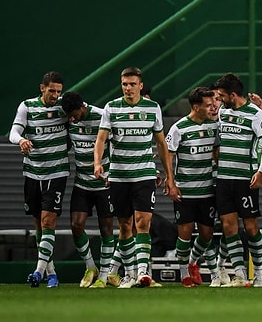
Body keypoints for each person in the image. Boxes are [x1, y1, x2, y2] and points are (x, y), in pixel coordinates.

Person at [93, 67, 177, 288]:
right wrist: (97, 162)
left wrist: (169, 176)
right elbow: (101, 139)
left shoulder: (152, 108)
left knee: (143, 223)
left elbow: (161, 143)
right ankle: (129, 274)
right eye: (124, 84)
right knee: (124, 226)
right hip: (119, 176)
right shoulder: (111, 108)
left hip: (144, 175)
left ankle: (142, 273)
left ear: (140, 85)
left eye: (132, 84)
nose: (128, 88)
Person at [9, 71, 69, 288]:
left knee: (47, 221)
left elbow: (89, 110)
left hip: (57, 172)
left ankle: (37, 271)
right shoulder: (27, 106)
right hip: (33, 173)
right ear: (42, 88)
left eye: (58, 91)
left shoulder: (64, 106)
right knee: (38, 223)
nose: (55, 95)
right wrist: (22, 140)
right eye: (51, 90)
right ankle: (50, 272)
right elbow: (13, 132)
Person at [214, 72, 262, 287]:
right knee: (229, 227)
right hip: (223, 179)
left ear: (233, 94)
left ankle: (258, 273)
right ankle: (239, 274)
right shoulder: (222, 111)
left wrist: (261, 172)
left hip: (244, 179)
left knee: (250, 227)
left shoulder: (255, 114)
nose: (219, 99)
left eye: (221, 95)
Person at [165, 86, 221, 287]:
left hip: (207, 190)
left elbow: (216, 153)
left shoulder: (214, 127)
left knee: (207, 235)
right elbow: (168, 155)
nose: (212, 107)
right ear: (196, 107)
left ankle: (192, 263)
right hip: (185, 191)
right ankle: (185, 275)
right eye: (208, 105)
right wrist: (170, 182)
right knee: (185, 233)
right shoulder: (179, 128)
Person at [60, 92, 115, 288]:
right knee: (76, 225)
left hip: (104, 183)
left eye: (75, 114)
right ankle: (91, 267)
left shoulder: (102, 116)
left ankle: (105, 274)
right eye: (70, 116)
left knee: (106, 229)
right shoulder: (69, 120)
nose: (72, 119)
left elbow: (117, 142)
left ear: (82, 106)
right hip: (81, 183)